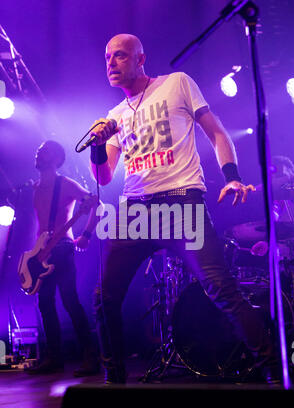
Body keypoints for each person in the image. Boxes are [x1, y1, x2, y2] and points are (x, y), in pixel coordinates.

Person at [89, 33, 278, 384]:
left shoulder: (176, 84)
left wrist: (232, 176)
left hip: (181, 202)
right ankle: (113, 379)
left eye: (119, 56)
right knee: (104, 297)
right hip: (135, 211)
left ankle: (271, 366)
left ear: (140, 59)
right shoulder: (114, 116)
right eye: (107, 57)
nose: (111, 63)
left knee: (220, 288)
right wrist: (98, 146)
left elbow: (217, 133)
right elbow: (103, 175)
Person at [28, 140, 99, 376]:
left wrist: (86, 235)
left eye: (44, 150)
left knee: (69, 300)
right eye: (38, 150)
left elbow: (96, 204)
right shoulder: (36, 187)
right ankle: (54, 358)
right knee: (45, 303)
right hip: (43, 253)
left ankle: (91, 357)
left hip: (63, 248)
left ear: (57, 158)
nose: (39, 152)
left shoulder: (65, 184)